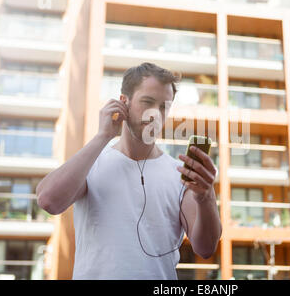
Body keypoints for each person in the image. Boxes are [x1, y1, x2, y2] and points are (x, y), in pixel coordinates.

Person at [36, 62, 222, 279]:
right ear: (123, 103)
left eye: (164, 106)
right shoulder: (91, 162)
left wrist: (206, 197)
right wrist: (102, 136)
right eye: (148, 102)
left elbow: (206, 248)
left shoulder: (180, 174)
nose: (156, 114)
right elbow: (48, 201)